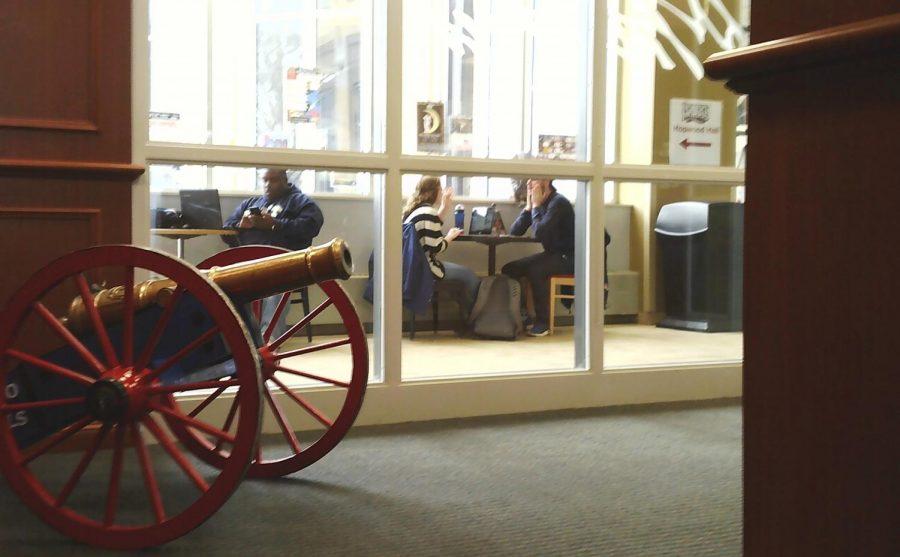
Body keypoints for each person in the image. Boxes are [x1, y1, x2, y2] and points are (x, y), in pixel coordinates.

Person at [223, 169, 324, 338]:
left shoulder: (301, 202)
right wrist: (240, 225)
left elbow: (311, 227)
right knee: (226, 284)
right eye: (265, 181)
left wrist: (275, 225)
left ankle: (268, 341)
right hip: (247, 263)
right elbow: (226, 231)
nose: (268, 185)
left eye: (274, 180)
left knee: (276, 284)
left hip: (283, 262)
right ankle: (238, 338)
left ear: (285, 180)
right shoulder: (250, 204)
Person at [502, 178, 575, 336]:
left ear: (546, 181)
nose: (529, 183)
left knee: (536, 269)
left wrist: (535, 206)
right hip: (552, 254)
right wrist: (528, 209)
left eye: (533, 180)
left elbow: (539, 233)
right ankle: (524, 314)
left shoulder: (558, 203)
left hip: (569, 257)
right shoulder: (539, 204)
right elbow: (514, 232)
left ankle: (543, 322)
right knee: (509, 269)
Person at [402, 176, 480, 321]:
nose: (442, 191)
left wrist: (444, 208)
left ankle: (468, 317)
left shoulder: (417, 211)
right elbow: (436, 247)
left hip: (413, 267)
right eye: (440, 189)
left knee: (464, 275)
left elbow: (429, 228)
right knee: (470, 276)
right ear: (434, 192)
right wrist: (449, 236)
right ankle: (474, 319)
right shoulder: (427, 212)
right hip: (426, 268)